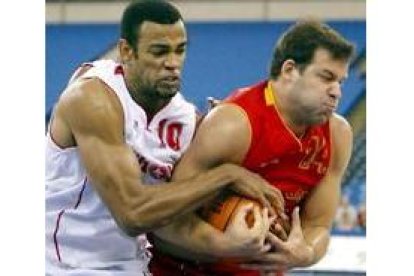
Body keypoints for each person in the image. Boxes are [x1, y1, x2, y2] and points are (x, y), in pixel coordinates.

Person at [45, 1, 285, 275]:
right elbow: (132, 213)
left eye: (180, 50)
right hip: (63, 263)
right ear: (127, 51)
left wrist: (261, 237)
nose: (172, 63)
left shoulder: (186, 119)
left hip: (134, 265)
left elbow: (177, 216)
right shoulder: (92, 99)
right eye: (159, 52)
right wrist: (226, 175)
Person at [149, 20, 355, 275]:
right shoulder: (233, 125)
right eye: (326, 77)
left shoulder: (338, 135)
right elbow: (162, 223)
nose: (336, 92)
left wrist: (305, 252)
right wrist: (223, 245)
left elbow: (318, 225)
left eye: (341, 82)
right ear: (289, 70)